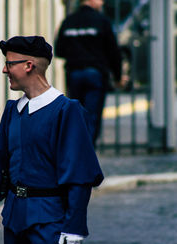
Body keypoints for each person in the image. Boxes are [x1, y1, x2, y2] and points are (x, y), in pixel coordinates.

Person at [0, 35, 104, 244]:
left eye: (9, 63)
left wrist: (75, 227)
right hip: (14, 220)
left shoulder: (67, 111)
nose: (5, 70)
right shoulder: (12, 110)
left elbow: (79, 175)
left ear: (29, 66)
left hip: (51, 222)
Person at [55, 0, 127, 146]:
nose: (102, 2)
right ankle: (86, 154)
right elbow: (113, 51)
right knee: (92, 117)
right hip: (95, 74)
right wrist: (118, 77)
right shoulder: (102, 21)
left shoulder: (69, 21)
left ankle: (76, 150)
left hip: (74, 74)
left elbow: (59, 50)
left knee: (76, 116)